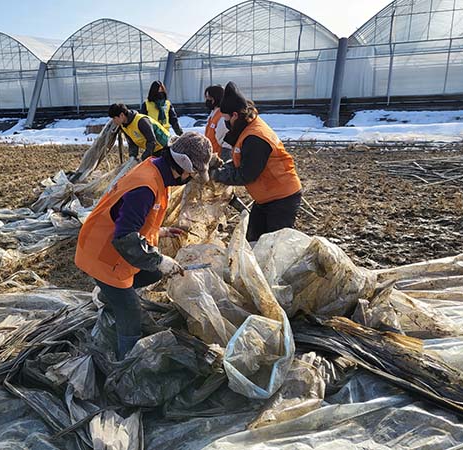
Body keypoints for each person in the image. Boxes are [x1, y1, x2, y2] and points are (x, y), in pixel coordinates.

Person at [74, 132, 213, 360]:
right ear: (183, 166)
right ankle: (127, 363)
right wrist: (160, 259)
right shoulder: (146, 186)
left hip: (114, 247)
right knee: (131, 312)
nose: (191, 178)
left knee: (151, 273)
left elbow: (128, 217)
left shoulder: (156, 171)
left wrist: (160, 231)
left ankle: (112, 299)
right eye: (193, 173)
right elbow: (124, 236)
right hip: (102, 255)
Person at [210, 81, 302, 243]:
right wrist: (222, 168)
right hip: (266, 197)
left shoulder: (255, 137)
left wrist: (215, 175)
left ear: (235, 115)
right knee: (253, 241)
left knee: (274, 247)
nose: (225, 123)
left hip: (281, 198)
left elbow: (247, 174)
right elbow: (241, 162)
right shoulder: (246, 128)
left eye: (226, 119)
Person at [204, 84, 232, 161]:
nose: (207, 100)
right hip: (211, 156)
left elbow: (225, 143)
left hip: (218, 158)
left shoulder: (222, 116)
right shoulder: (213, 114)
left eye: (209, 98)